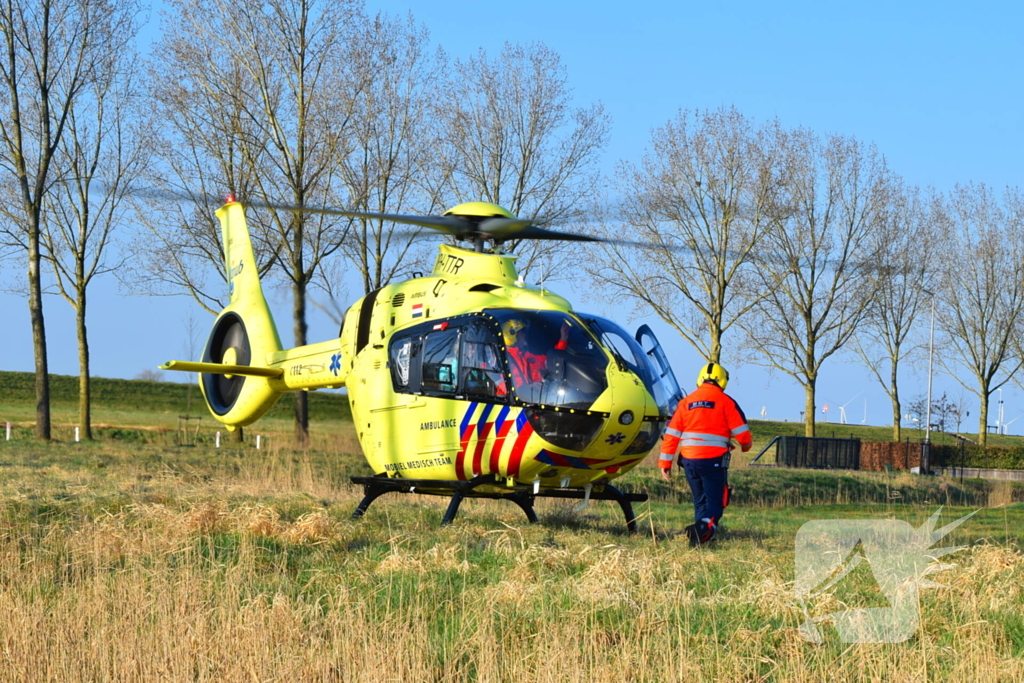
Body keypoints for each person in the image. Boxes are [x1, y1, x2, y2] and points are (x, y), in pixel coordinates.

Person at [659, 362, 752, 546]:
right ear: (722, 381)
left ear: (700, 379)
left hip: (689, 462)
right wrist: (746, 447)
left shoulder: (685, 403)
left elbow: (670, 436)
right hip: (713, 461)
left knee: (700, 501)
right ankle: (702, 530)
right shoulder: (726, 402)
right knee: (716, 504)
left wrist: (665, 463)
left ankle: (698, 540)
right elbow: (744, 436)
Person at [502, 317, 570, 390]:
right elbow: (501, 387)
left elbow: (551, 360)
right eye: (521, 332)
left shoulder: (525, 356)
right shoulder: (501, 359)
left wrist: (563, 338)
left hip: (537, 398)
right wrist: (528, 387)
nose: (524, 335)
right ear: (511, 335)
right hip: (519, 399)